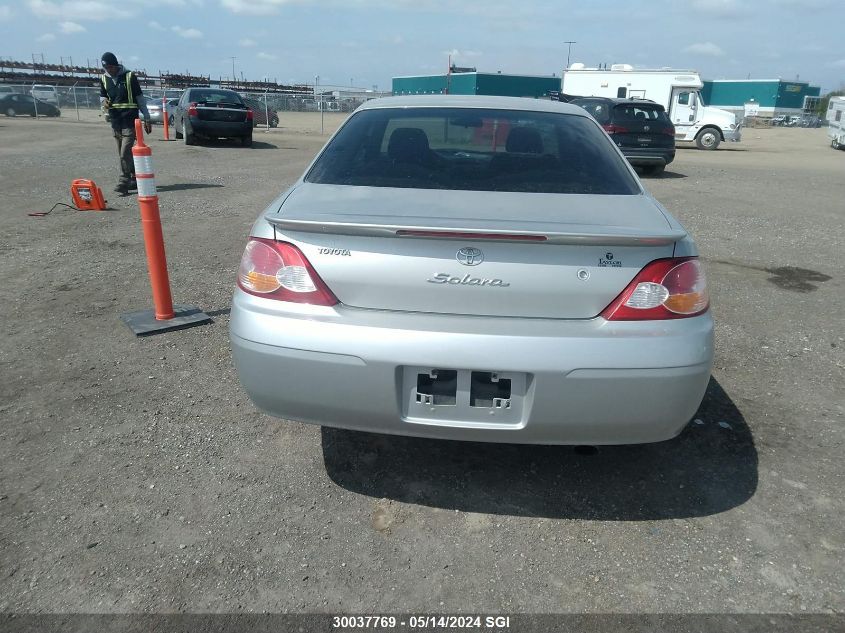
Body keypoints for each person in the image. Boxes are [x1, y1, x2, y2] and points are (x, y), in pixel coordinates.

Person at [99, 52, 152, 195]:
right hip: (115, 121)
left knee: (124, 153)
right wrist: (104, 103)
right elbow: (103, 96)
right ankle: (134, 177)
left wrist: (146, 117)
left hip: (129, 120)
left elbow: (140, 98)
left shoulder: (129, 77)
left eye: (111, 67)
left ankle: (124, 181)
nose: (109, 70)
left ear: (116, 64)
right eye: (106, 68)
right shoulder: (104, 79)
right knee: (124, 154)